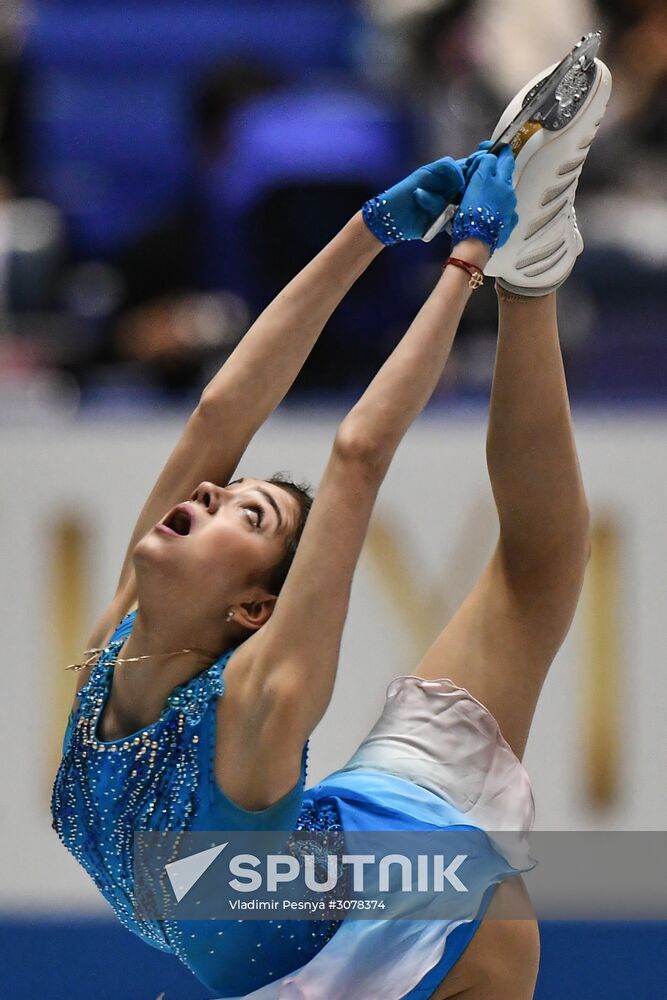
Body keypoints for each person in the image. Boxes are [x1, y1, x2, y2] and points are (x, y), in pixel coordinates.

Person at [51, 53, 611, 1000]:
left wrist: (469, 262)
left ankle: (528, 276)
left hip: (411, 908)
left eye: (244, 510)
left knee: (532, 575)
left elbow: (357, 454)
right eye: (231, 497)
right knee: (539, 571)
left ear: (255, 607)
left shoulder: (259, 699)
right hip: (336, 904)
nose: (211, 492)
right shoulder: (121, 646)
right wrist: (368, 229)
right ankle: (537, 265)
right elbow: (220, 415)